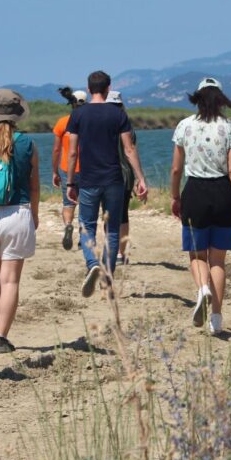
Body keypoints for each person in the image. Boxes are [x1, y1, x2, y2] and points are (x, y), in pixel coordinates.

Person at [170, 77, 231, 336]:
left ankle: (202, 290)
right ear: (220, 99)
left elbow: (176, 168)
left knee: (197, 256)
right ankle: (216, 319)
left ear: (197, 98)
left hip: (195, 192)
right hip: (224, 195)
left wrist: (175, 197)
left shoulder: (184, 126)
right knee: (218, 260)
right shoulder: (230, 128)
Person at [66, 71, 149, 297]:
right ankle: (108, 277)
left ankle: (92, 262)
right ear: (108, 87)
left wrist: (70, 182)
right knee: (112, 230)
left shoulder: (78, 115)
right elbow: (129, 149)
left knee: (86, 225)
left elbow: (72, 152)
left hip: (89, 180)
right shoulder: (117, 114)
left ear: (88, 87)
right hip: (114, 179)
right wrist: (141, 178)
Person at [0, 89, 39, 354]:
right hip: (17, 214)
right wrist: (34, 215)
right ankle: (2, 336)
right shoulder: (28, 144)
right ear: (17, 115)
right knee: (10, 280)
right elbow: (34, 187)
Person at [51, 87, 86, 250]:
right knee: (86, 203)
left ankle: (68, 226)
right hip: (88, 168)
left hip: (67, 169)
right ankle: (83, 237)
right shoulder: (90, 120)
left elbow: (56, 150)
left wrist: (54, 171)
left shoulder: (62, 122)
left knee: (68, 203)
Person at [106, 90, 136, 265]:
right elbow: (131, 151)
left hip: (105, 175)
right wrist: (140, 178)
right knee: (123, 215)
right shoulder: (128, 126)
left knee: (108, 214)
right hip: (125, 175)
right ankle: (120, 253)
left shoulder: (100, 124)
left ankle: (110, 251)